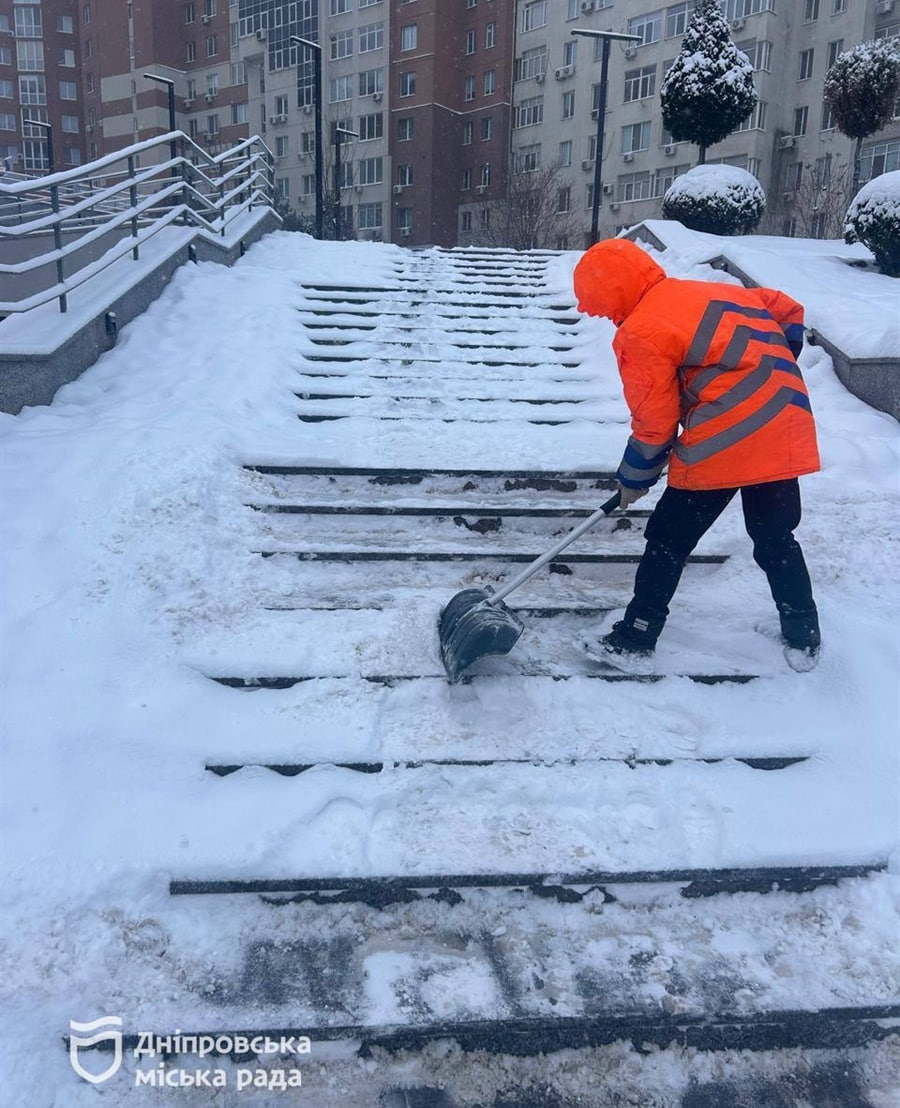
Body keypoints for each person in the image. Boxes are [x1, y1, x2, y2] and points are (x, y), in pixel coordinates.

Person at [572, 237, 821, 670]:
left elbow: (656, 421)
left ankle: (636, 637)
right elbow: (786, 309)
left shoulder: (641, 329)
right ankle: (804, 635)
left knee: (668, 539)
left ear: (612, 291)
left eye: (599, 304)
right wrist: (771, 365)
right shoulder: (713, 292)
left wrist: (634, 478)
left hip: (727, 434)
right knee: (775, 536)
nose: (602, 315)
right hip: (785, 420)